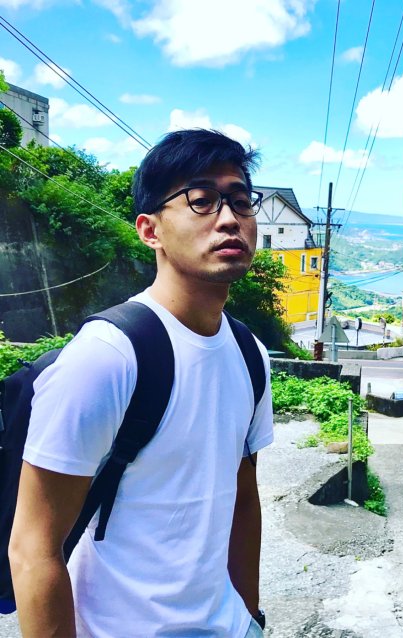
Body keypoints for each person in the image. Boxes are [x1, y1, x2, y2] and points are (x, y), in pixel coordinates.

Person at [8, 129, 273, 637]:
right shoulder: (107, 357)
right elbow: (33, 548)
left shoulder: (249, 354)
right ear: (150, 231)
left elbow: (243, 498)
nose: (229, 218)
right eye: (201, 200)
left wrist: (251, 617)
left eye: (240, 201)